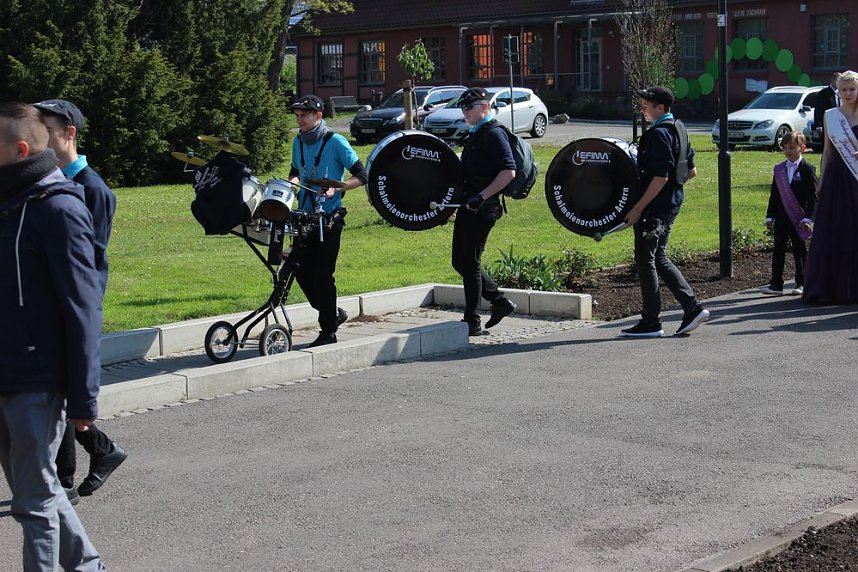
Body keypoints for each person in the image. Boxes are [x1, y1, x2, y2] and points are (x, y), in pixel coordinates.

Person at [0, 101, 105, 569]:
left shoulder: (60, 208)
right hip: (5, 373)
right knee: (36, 486)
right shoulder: (7, 206)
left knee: (34, 501)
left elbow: (82, 308)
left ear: (19, 150)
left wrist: (84, 400)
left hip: (37, 380)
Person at [34, 99, 127, 505]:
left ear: (69, 133)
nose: (38, 138)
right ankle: (102, 453)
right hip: (49, 303)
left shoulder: (92, 189)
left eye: (47, 130)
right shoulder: (48, 182)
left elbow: (88, 259)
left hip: (72, 305)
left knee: (62, 391)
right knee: (55, 391)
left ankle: (64, 482)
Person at [622, 86, 709, 337]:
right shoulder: (679, 129)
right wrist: (672, 192)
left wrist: (639, 209)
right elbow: (691, 171)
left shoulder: (658, 134)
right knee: (658, 257)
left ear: (661, 108)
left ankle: (652, 322)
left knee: (646, 260)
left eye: (647, 104)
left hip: (654, 209)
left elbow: (660, 176)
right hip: (671, 203)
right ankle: (691, 308)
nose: (643, 108)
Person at [286, 95, 367, 347]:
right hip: (305, 218)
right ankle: (331, 313)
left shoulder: (336, 141)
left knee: (323, 276)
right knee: (297, 269)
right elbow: (295, 171)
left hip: (329, 220)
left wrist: (339, 188)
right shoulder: (298, 141)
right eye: (297, 115)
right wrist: (292, 184)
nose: (299, 119)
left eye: (304, 115)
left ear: (318, 116)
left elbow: (362, 174)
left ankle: (328, 332)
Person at [451, 87, 518, 336]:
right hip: (469, 206)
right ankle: (499, 302)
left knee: (469, 262)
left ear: (485, 107)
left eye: (469, 107)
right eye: (463, 108)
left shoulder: (494, 134)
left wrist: (482, 196)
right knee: (459, 260)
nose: (465, 112)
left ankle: (472, 320)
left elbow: (508, 172)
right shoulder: (477, 133)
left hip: (483, 208)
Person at [802, 70, 858, 304]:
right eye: (844, 89)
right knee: (836, 229)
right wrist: (822, 181)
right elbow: (827, 150)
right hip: (837, 177)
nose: (848, 93)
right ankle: (832, 287)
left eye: (852, 89)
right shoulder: (830, 115)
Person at [758, 131, 817, 296]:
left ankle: (802, 283)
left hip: (799, 218)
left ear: (802, 148)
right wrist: (770, 216)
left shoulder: (808, 169)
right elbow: (774, 195)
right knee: (778, 250)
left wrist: (809, 217)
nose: (788, 151)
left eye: (792, 147)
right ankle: (776, 284)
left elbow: (813, 196)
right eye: (785, 148)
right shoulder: (779, 169)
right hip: (782, 217)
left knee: (799, 251)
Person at [814, 72, 841, 142]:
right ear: (833, 80)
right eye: (838, 81)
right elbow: (818, 109)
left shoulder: (840, 93)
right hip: (827, 123)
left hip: (838, 123)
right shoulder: (824, 93)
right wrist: (818, 125)